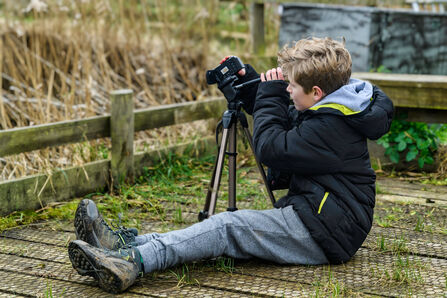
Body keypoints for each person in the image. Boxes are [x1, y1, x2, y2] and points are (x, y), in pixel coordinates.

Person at [68, 37, 394, 293]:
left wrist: (269, 94)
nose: (287, 91)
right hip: (324, 216)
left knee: (227, 227)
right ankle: (124, 246)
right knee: (224, 228)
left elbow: (272, 147)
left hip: (326, 232)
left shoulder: (331, 127)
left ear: (317, 92)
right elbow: (292, 122)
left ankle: (132, 263)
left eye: (291, 86)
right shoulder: (336, 108)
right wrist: (255, 88)